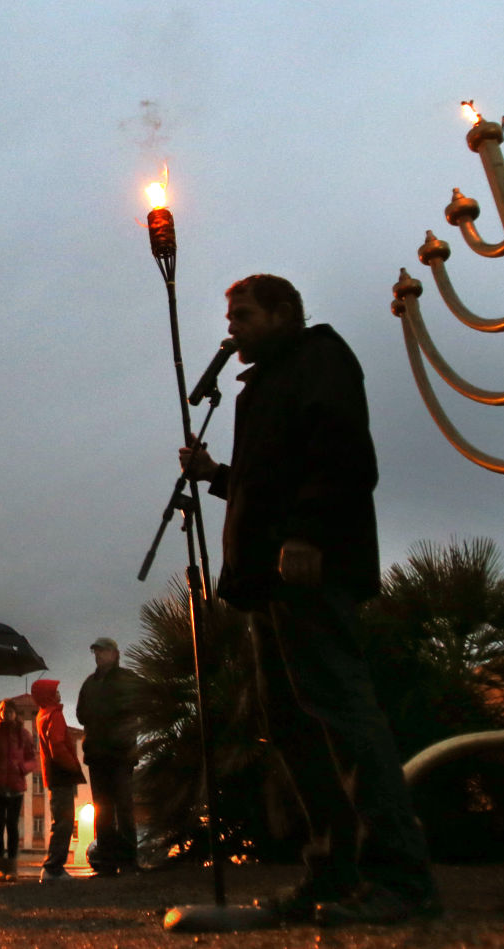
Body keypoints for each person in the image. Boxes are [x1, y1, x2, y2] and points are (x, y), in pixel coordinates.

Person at [179, 274, 438, 925]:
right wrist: (216, 478)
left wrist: (307, 533)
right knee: (295, 726)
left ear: (282, 312)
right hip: (270, 580)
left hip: (309, 569)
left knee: (341, 711)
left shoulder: (319, 358)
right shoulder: (266, 382)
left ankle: (401, 878)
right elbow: (270, 481)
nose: (230, 325)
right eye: (229, 313)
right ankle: (330, 872)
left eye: (242, 313)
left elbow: (343, 453)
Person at [75, 636, 141, 876]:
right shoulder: (89, 684)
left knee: (124, 808)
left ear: (115, 653)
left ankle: (129, 861)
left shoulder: (127, 679)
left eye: (102, 651)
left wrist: (121, 723)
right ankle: (107, 864)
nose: (98, 655)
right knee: (102, 811)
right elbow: (81, 715)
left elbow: (144, 702)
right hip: (97, 755)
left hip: (121, 755)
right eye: (96, 652)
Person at [29, 677, 83, 881]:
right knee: (64, 822)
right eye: (55, 691)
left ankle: (53, 867)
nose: (59, 693)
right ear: (48, 695)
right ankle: (53, 868)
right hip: (61, 774)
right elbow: (58, 746)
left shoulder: (42, 715)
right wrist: (73, 766)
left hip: (52, 775)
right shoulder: (55, 715)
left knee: (59, 820)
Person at [0, 698, 37, 882]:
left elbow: (32, 759)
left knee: (12, 825)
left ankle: (12, 868)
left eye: (10, 711)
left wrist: (22, 768)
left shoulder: (24, 734)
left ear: (15, 713)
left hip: (16, 786)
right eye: (3, 711)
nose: (7, 714)